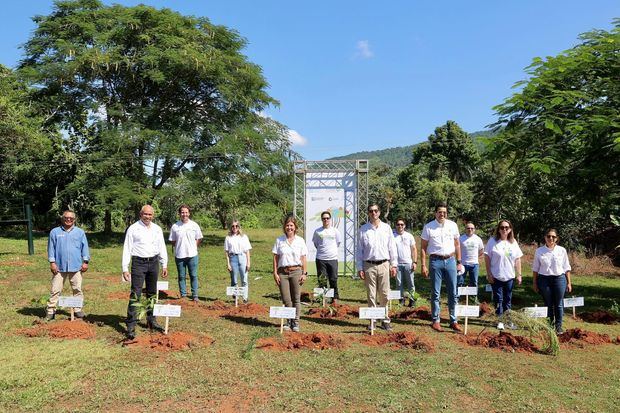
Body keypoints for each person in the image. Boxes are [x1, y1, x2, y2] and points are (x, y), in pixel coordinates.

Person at [122, 205, 168, 340]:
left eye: (150, 215)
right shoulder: (133, 228)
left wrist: (164, 264)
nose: (148, 217)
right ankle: (131, 324)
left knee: (152, 293)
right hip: (138, 263)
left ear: (153, 216)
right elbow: (127, 248)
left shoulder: (157, 229)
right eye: (145, 214)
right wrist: (125, 268)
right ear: (141, 214)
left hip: (153, 263)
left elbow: (161, 247)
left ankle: (151, 320)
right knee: (135, 294)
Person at [420, 202, 463, 332]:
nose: (442, 214)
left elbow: (457, 245)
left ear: (446, 213)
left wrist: (459, 261)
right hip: (435, 261)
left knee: (453, 292)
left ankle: (453, 320)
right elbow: (423, 247)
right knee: (436, 292)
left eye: (444, 212)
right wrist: (423, 265)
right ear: (435, 213)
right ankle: (436, 320)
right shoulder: (428, 227)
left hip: (450, 260)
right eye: (439, 212)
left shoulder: (453, 225)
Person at [356, 204, 398, 331]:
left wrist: (394, 265)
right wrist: (360, 268)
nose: (373, 213)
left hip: (384, 264)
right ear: (368, 213)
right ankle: (373, 320)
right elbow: (359, 250)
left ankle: (385, 320)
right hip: (369, 265)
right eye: (371, 211)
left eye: (375, 210)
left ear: (379, 212)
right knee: (371, 295)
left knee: (385, 294)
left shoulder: (386, 228)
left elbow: (392, 247)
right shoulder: (363, 229)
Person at [46, 210, 90, 321]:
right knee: (55, 289)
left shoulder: (80, 232)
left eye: (71, 218)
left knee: (77, 289)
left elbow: (85, 248)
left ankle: (77, 310)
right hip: (59, 267)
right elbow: (51, 248)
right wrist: (52, 262)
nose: (68, 219)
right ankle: (51, 311)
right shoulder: (54, 232)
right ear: (62, 218)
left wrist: (85, 261)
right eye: (66, 217)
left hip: (76, 267)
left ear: (74, 219)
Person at [484, 220, 523, 330]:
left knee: (508, 300)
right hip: (496, 276)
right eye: (502, 227)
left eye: (506, 227)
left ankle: (508, 320)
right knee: (498, 299)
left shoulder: (513, 242)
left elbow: (517, 259)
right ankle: (500, 320)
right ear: (498, 229)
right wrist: (489, 274)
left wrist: (519, 274)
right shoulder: (493, 241)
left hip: (509, 276)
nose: (504, 229)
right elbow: (487, 257)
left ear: (510, 229)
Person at [532, 228, 572, 333]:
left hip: (559, 279)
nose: (551, 238)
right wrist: (535, 283)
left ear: (557, 239)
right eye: (549, 236)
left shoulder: (562, 250)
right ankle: (550, 325)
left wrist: (569, 283)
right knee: (548, 304)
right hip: (544, 280)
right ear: (545, 238)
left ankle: (558, 326)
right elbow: (535, 269)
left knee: (558, 304)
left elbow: (566, 267)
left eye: (553, 237)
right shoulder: (539, 251)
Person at [272, 216, 307, 332]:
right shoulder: (279, 240)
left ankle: (296, 322)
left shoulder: (300, 241)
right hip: (283, 273)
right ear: (284, 227)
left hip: (296, 271)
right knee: (286, 299)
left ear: (295, 227)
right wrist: (275, 273)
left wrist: (304, 273)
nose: (289, 227)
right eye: (287, 225)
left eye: (291, 225)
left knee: (296, 298)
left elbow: (303, 258)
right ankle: (288, 321)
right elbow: (276, 258)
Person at [169, 205, 203, 301]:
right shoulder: (175, 226)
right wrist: (180, 246)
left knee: (193, 275)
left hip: (192, 255)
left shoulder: (194, 225)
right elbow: (173, 240)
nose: (184, 214)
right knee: (181, 276)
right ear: (179, 214)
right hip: (179, 255)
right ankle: (183, 295)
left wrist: (193, 246)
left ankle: (195, 295)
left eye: (186, 212)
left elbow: (199, 238)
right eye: (182, 212)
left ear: (189, 213)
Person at [312, 211, 341, 304]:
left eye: (327, 218)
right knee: (322, 280)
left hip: (332, 259)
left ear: (330, 219)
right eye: (324, 218)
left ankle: (334, 299)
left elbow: (338, 243)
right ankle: (322, 300)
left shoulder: (335, 231)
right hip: (321, 259)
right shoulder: (317, 231)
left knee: (333, 279)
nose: (326, 220)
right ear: (321, 219)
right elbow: (316, 244)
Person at [225, 219, 252, 303]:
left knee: (244, 279)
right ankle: (236, 297)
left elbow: (247, 250)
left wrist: (248, 262)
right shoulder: (228, 238)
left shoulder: (244, 237)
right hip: (233, 258)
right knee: (234, 279)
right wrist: (228, 264)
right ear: (231, 227)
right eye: (233, 226)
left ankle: (245, 298)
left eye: (236, 226)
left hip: (242, 257)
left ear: (239, 227)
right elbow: (227, 252)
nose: (235, 228)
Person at [393, 218, 417, 307]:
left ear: (405, 226)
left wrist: (414, 262)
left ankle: (412, 300)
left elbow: (414, 249)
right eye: (398, 224)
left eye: (402, 224)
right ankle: (401, 300)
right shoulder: (392, 236)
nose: (400, 226)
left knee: (411, 283)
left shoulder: (409, 236)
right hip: (397, 264)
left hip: (408, 263)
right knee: (399, 284)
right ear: (396, 226)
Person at [458, 222, 485, 303]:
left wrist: (476, 257)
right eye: (468, 228)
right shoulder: (461, 238)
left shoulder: (478, 239)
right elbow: (457, 250)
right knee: (460, 281)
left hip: (474, 264)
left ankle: (473, 299)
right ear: (465, 229)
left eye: (472, 228)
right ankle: (457, 298)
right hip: (463, 264)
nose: (470, 230)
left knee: (474, 282)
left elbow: (481, 250)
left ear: (474, 229)